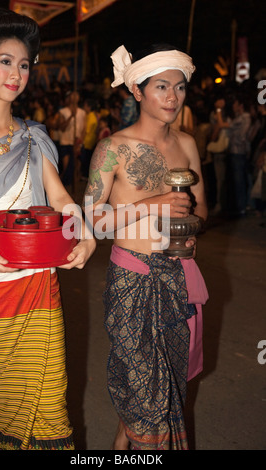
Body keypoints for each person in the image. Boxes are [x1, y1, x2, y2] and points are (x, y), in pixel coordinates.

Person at [0, 8, 95, 450]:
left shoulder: (31, 135)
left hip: (38, 287)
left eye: (24, 64)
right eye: (5, 60)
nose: (16, 73)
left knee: (43, 402)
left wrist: (83, 227)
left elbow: (59, 199)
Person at [84, 43, 208, 450]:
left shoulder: (188, 145)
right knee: (147, 400)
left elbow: (202, 208)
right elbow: (93, 219)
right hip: (131, 280)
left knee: (164, 391)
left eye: (179, 87)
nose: (172, 97)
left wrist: (192, 229)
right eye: (160, 87)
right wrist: (151, 205)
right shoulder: (112, 148)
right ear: (137, 91)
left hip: (178, 277)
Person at [216, 93, 251, 215]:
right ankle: (242, 206)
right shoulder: (240, 118)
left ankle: (242, 207)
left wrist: (219, 109)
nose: (233, 106)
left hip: (239, 152)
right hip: (237, 153)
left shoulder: (244, 117)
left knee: (239, 181)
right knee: (239, 181)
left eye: (235, 104)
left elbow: (222, 125)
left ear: (240, 105)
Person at [58, 90, 86, 186]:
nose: (75, 98)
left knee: (77, 168)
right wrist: (71, 116)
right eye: (72, 96)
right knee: (67, 168)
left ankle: (76, 191)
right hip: (66, 142)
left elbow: (84, 129)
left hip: (76, 143)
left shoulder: (82, 112)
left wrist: (80, 141)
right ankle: (66, 187)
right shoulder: (63, 112)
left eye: (76, 95)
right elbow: (61, 128)